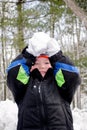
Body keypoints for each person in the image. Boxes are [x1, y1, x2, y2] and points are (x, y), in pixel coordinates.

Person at [7, 32, 81, 130]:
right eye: (37, 63)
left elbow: (72, 76)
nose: (42, 66)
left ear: (53, 64)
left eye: (46, 62)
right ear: (31, 65)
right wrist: (28, 55)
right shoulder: (24, 83)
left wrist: (56, 56)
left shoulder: (59, 82)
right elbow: (13, 73)